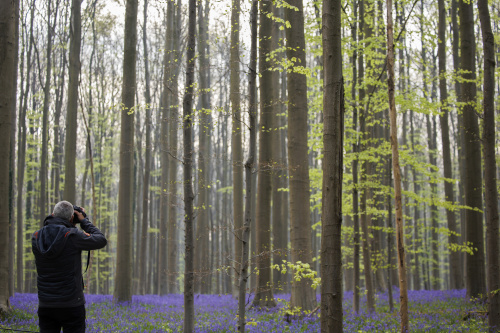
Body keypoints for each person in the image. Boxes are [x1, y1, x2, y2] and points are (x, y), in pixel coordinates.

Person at [32, 200, 107, 333]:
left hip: (46, 304)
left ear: (52, 214)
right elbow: (100, 239)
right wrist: (84, 221)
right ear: (72, 217)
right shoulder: (72, 235)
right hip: (71, 303)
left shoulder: (36, 237)